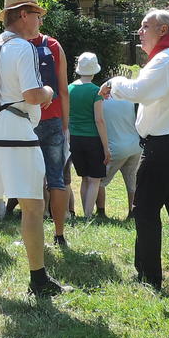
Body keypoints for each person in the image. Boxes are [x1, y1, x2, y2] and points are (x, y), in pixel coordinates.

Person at [0, 0, 65, 298]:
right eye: (37, 14)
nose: (40, 20)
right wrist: (49, 91)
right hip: (16, 132)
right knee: (34, 206)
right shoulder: (23, 48)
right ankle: (38, 279)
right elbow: (33, 95)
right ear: (23, 15)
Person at [99, 8, 169, 291]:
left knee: (145, 210)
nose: (139, 32)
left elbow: (139, 92)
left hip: (165, 146)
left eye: (145, 26)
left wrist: (114, 82)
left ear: (163, 30)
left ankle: (148, 277)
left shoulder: (166, 59)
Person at [31, 22, 71, 247]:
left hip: (27, 121)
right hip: (54, 119)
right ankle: (59, 234)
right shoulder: (54, 45)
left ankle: (33, 233)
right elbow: (63, 89)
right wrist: (64, 124)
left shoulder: (15, 45)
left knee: (31, 181)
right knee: (56, 179)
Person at [68, 51, 108, 221]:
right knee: (94, 179)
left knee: (84, 178)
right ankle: (88, 215)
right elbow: (99, 120)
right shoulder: (95, 91)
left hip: (74, 138)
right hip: (92, 138)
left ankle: (84, 214)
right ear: (94, 70)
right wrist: (106, 148)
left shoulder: (69, 88)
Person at [98, 75, 143, 219]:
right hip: (135, 145)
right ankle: (133, 213)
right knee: (132, 182)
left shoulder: (102, 102)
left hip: (116, 147)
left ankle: (100, 212)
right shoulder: (128, 100)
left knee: (98, 181)